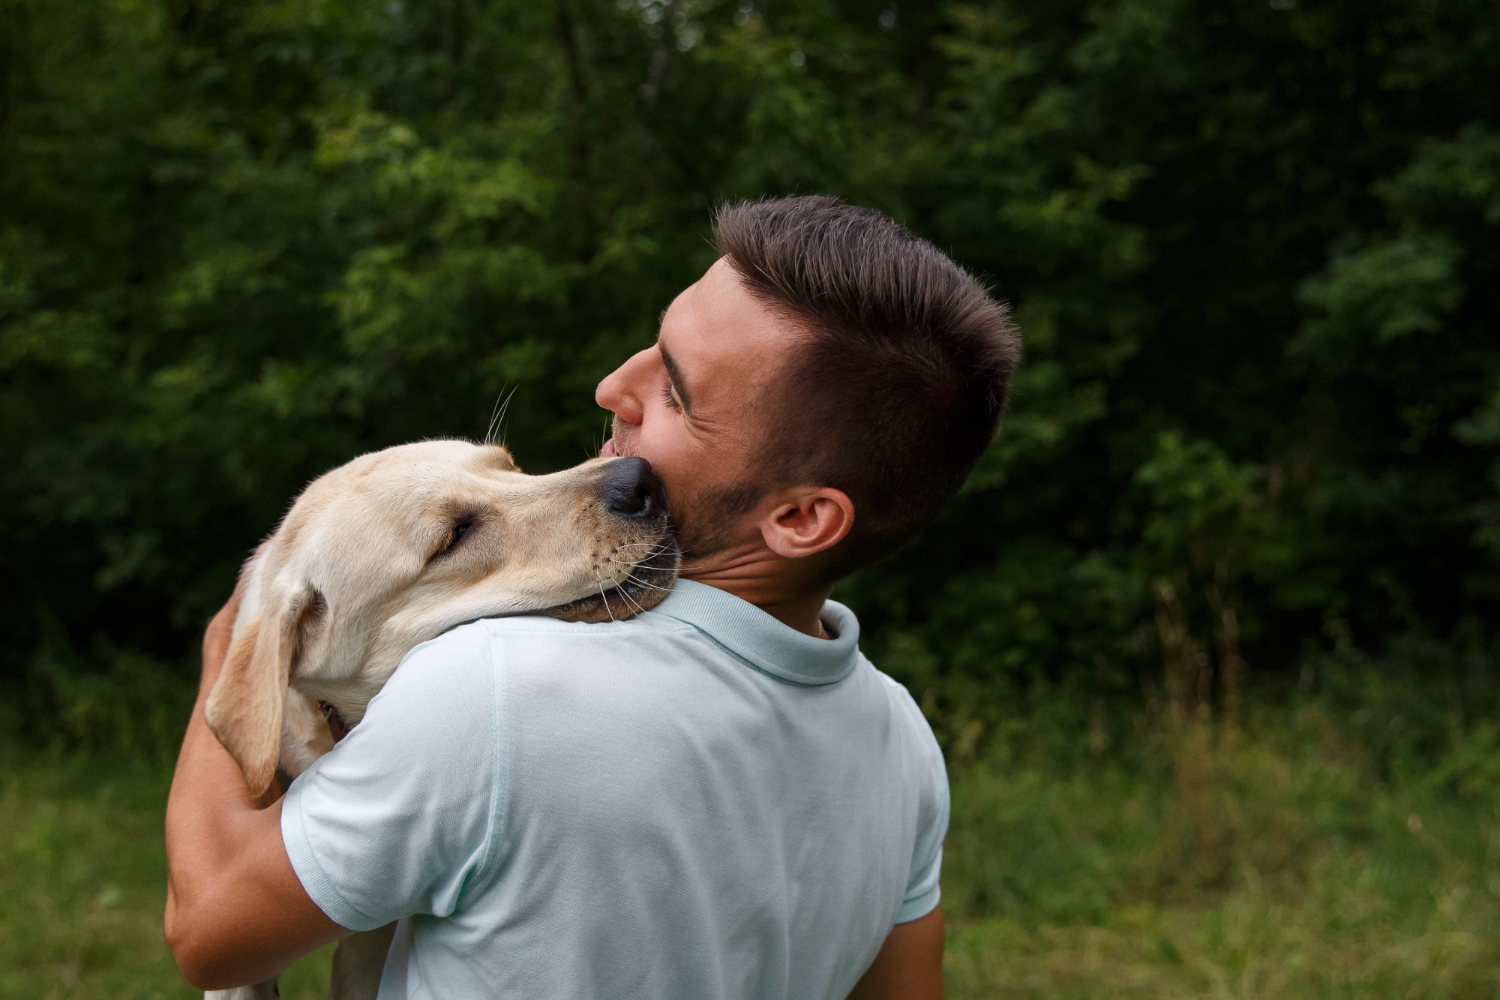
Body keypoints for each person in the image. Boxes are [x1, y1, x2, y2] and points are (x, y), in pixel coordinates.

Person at [164, 195, 1020, 998]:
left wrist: (238, 639)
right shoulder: (903, 741)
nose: (615, 386)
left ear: (801, 518)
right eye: (651, 346)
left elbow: (209, 930)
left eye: (676, 393)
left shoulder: (497, 687)